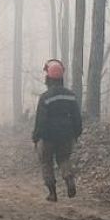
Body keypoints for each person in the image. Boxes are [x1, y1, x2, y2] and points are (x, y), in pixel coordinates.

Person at [31, 59, 83, 202]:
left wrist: (36, 137)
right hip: (66, 135)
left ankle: (52, 193)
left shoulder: (45, 97)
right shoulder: (70, 95)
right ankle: (69, 179)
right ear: (61, 78)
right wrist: (76, 132)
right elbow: (77, 117)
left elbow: (40, 120)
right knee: (64, 159)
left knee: (46, 162)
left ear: (48, 78)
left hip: (48, 136)